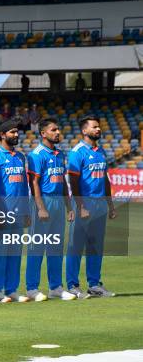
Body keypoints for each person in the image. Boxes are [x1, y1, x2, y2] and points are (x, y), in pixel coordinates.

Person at [66, 116, 117, 299]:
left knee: (96, 246)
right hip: (84, 203)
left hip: (100, 204)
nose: (98, 129)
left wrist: (110, 204)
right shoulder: (77, 152)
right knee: (76, 246)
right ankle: (72, 285)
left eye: (99, 126)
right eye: (94, 127)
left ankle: (94, 284)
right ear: (84, 131)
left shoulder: (101, 150)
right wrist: (80, 206)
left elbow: (105, 179)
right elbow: (73, 180)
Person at [26, 118, 76, 301]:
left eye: (58, 129)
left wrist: (69, 206)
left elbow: (62, 181)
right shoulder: (36, 154)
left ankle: (56, 287)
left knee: (55, 246)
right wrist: (41, 208)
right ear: (43, 133)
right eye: (53, 130)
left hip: (58, 203)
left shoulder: (60, 154)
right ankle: (32, 288)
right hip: (43, 201)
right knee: (37, 247)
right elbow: (34, 183)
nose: (57, 133)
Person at [0, 119, 31, 303]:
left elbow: (23, 185)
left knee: (14, 254)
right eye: (12, 132)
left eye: (17, 132)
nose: (16, 134)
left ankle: (11, 289)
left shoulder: (20, 157)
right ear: (2, 134)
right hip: (1, 212)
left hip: (19, 213)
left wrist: (27, 210)